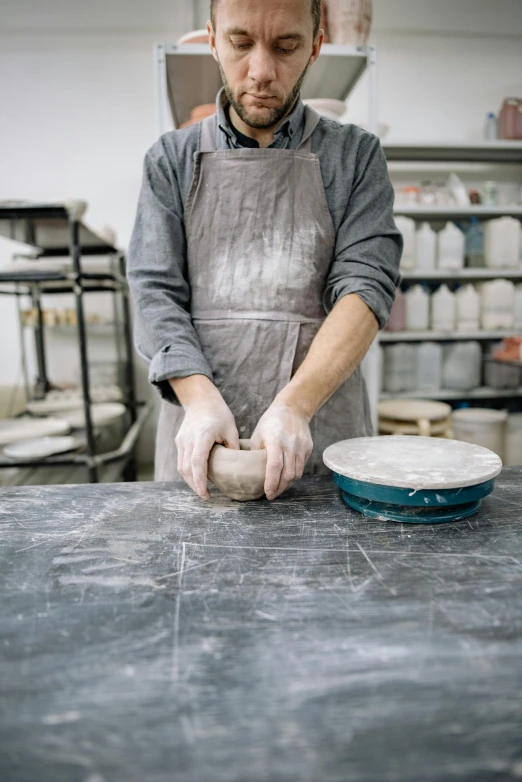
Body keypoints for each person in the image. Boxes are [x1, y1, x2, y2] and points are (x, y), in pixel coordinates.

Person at [127, 0, 402, 502]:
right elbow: (154, 291)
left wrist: (295, 407)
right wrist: (200, 399)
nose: (261, 72)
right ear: (212, 39)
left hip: (320, 429)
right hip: (200, 437)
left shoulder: (356, 157)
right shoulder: (170, 160)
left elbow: (366, 287)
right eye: (239, 43)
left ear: (316, 46)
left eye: (285, 46)